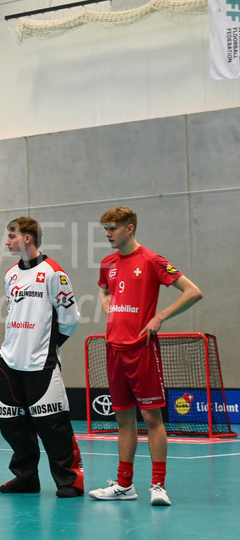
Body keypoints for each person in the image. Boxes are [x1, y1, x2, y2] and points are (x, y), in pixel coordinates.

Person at [88, 207, 202, 506]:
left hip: (142, 349)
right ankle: (125, 485)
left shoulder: (152, 260)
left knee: (152, 417)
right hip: (113, 348)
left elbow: (192, 292)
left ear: (130, 228)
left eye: (112, 228)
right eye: (105, 229)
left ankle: (158, 485)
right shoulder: (108, 263)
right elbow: (104, 293)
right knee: (123, 418)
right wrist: (110, 312)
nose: (108, 234)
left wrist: (160, 317)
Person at [0, 217, 84, 497]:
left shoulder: (53, 273)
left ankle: (70, 481)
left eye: (12, 236)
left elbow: (70, 319)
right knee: (12, 425)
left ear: (28, 238)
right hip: (9, 361)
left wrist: (46, 346)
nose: (7, 241)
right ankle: (26, 478)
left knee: (53, 426)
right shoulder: (10, 275)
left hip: (41, 363)